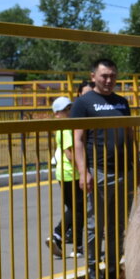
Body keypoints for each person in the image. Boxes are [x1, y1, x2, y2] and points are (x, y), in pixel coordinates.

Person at [70, 58, 137, 279]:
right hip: (98, 172)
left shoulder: (122, 102)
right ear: (93, 77)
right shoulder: (83, 103)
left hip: (123, 171)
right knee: (94, 224)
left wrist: (136, 167)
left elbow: (129, 135)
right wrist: (83, 172)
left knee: (118, 224)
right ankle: (91, 268)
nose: (109, 80)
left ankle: (111, 266)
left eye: (112, 76)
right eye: (104, 76)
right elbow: (78, 140)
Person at [47, 96, 84, 259]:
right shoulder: (67, 129)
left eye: (70, 108)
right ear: (56, 114)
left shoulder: (64, 127)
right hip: (71, 174)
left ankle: (75, 245)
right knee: (78, 209)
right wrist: (82, 171)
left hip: (64, 174)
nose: (69, 112)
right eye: (65, 110)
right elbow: (70, 154)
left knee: (75, 209)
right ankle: (58, 235)